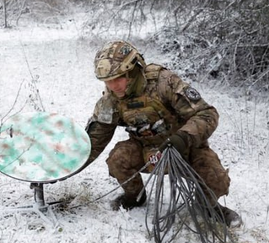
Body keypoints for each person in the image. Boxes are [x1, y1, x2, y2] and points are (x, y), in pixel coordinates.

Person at [82, 40, 241, 228]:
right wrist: (63, 168)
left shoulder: (164, 83)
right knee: (118, 158)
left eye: (118, 78)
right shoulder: (111, 99)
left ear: (132, 70)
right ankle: (135, 197)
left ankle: (207, 206)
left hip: (185, 148)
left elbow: (207, 114)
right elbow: (94, 140)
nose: (113, 85)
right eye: (108, 81)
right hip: (147, 152)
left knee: (216, 178)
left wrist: (183, 138)